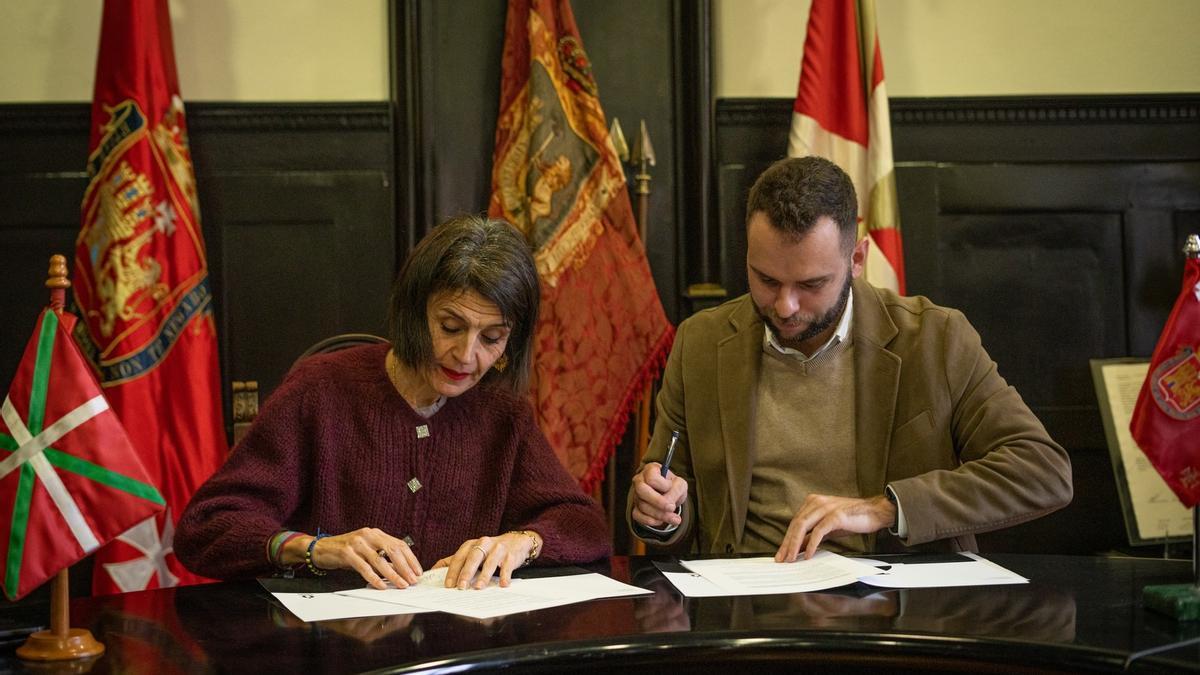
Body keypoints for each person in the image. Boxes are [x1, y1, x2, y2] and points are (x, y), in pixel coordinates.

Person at [627, 156, 1072, 561]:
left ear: (857, 258)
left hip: (893, 606)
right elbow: (666, 492)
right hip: (744, 604)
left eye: (811, 284)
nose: (785, 305)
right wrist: (659, 509)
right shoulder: (701, 343)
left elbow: (1042, 471)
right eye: (766, 279)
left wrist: (884, 508)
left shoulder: (935, 340)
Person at [177, 215, 609, 590]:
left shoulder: (502, 412)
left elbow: (585, 525)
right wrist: (316, 549)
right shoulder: (320, 390)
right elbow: (208, 528)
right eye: (450, 326)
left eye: (492, 338)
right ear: (413, 311)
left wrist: (523, 543)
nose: (466, 355)